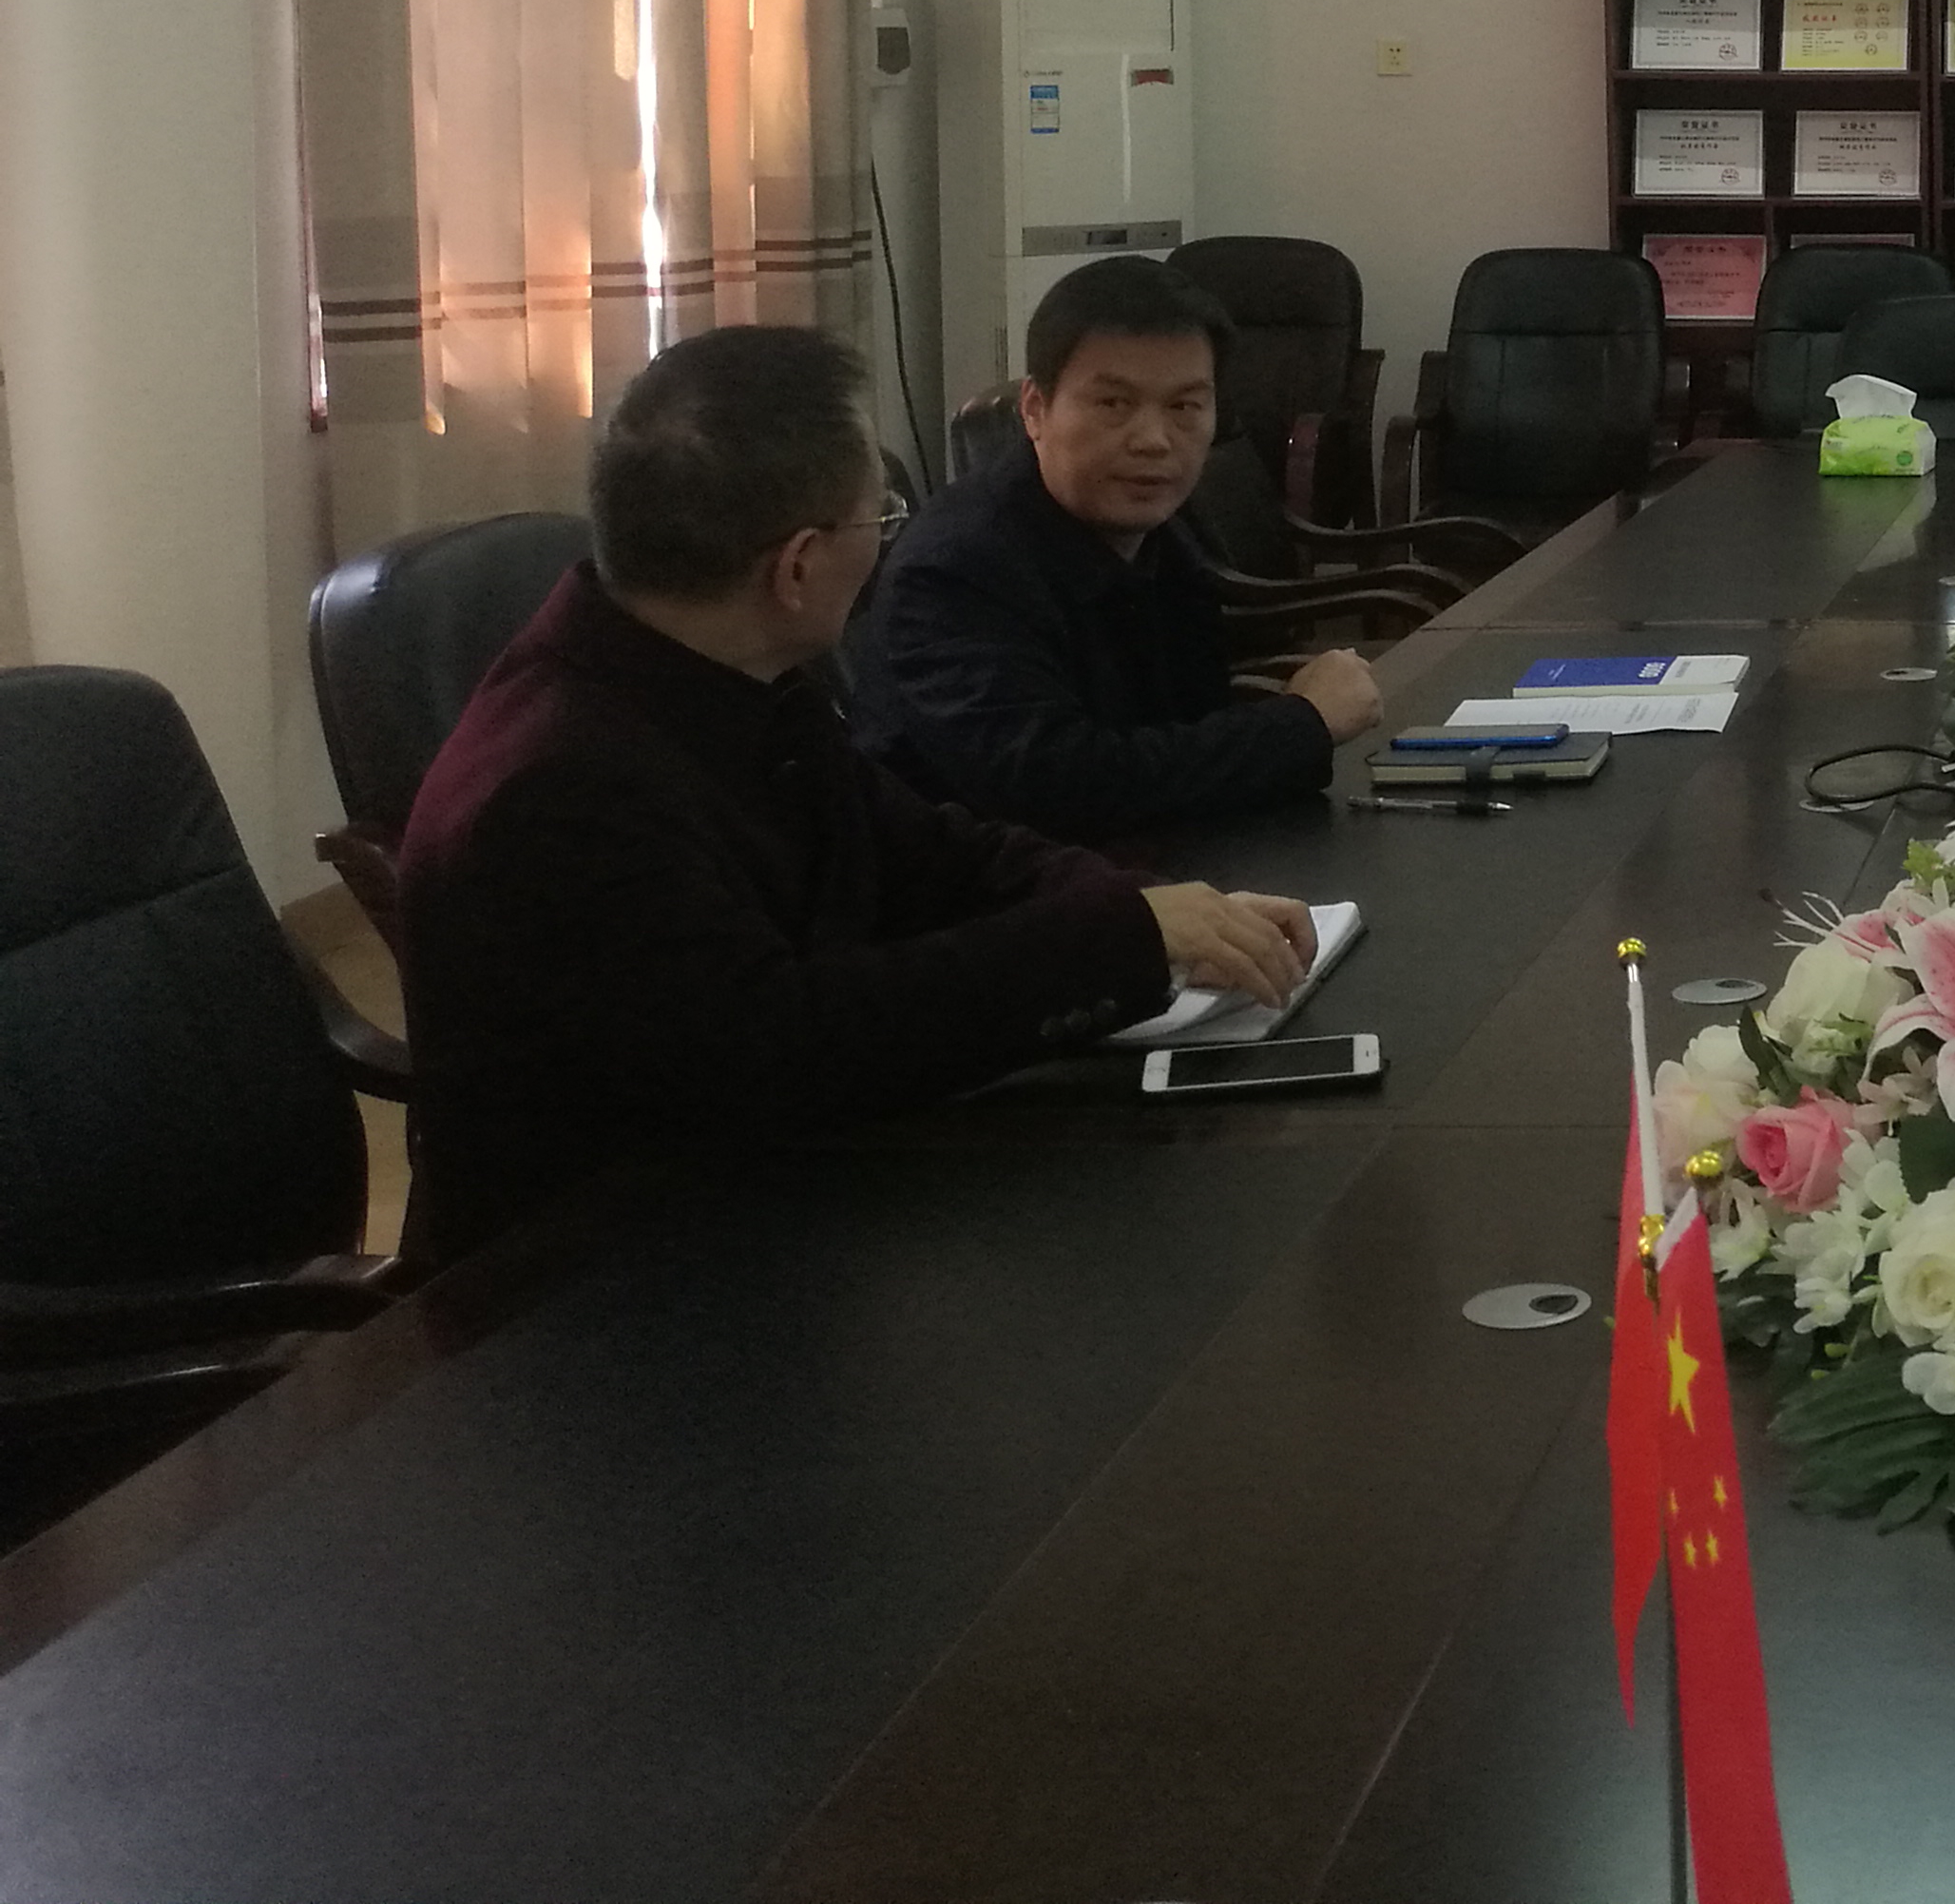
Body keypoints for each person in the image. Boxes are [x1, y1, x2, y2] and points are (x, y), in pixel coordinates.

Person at [394, 326, 1318, 1268]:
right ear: (798, 566)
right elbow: (786, 1045)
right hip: (592, 1283)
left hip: (765, 1199)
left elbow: (929, 852)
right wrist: (1112, 940)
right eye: (880, 520)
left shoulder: (716, 671)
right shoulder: (561, 789)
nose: (886, 546)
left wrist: (1143, 911)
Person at [847, 255, 1382, 838]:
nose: (1153, 441)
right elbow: (1059, 785)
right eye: (1113, 404)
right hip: (989, 885)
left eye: (1184, 406)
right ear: (1035, 410)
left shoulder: (1158, 530)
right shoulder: (954, 568)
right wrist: (1302, 724)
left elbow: (1180, 729)